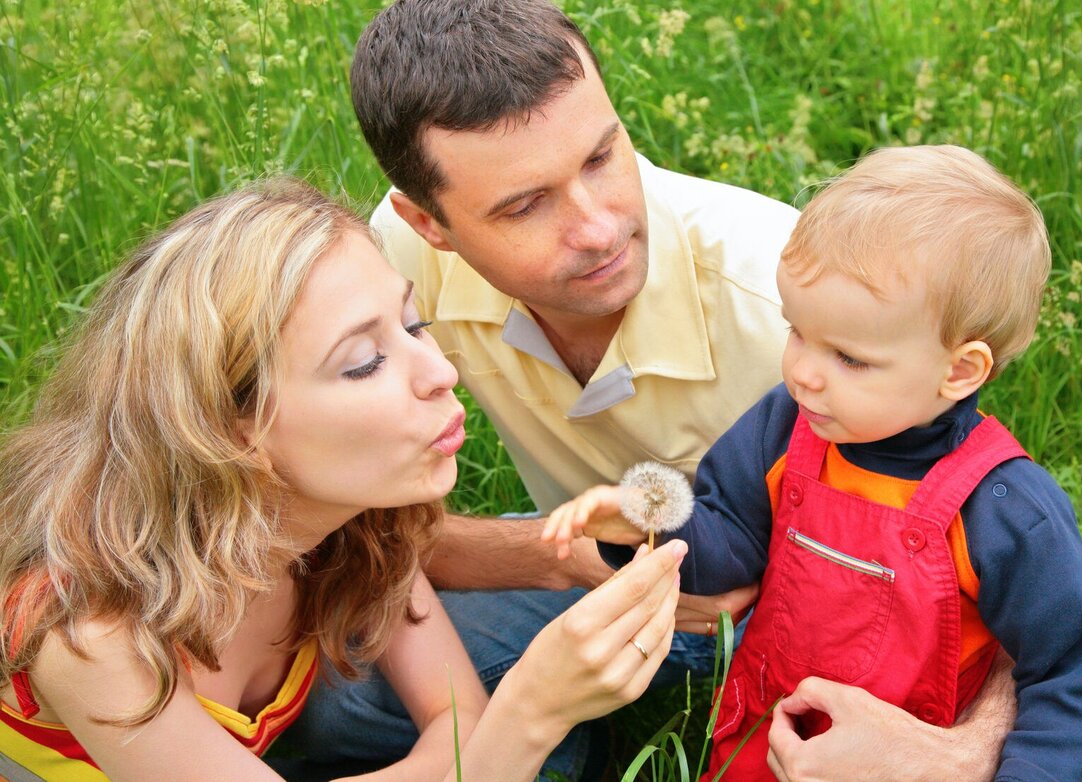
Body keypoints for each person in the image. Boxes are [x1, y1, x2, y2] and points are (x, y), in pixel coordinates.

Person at [316, 1, 1082, 779]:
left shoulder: (807, 297)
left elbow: (1040, 617)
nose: (600, 227)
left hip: (873, 625)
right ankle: (560, 733)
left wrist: (957, 759)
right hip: (645, 564)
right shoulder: (395, 262)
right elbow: (303, 481)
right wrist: (580, 548)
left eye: (604, 157)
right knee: (336, 703)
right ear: (432, 224)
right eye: (527, 205)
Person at [0, 178, 686, 781]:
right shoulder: (93, 630)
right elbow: (474, 744)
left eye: (412, 324)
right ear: (231, 434)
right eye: (363, 362)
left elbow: (459, 723)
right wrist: (535, 709)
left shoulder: (350, 515)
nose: (440, 373)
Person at [543, 145, 1082, 780]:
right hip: (765, 744)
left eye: (848, 357)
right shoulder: (784, 431)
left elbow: (1065, 671)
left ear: (959, 370)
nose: (802, 373)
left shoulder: (1004, 510)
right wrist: (649, 526)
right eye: (796, 331)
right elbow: (729, 544)